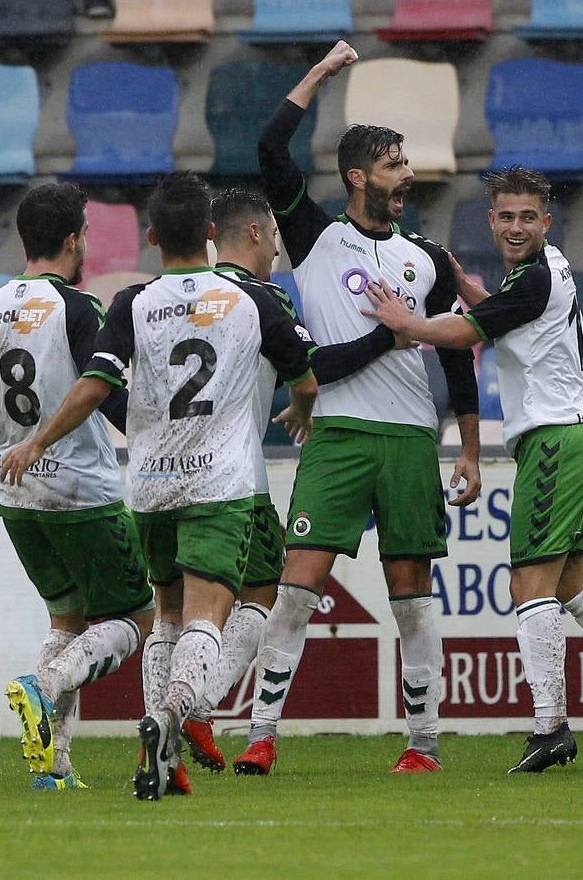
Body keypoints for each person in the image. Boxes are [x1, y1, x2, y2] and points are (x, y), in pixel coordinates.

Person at [0, 172, 318, 802]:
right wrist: (303, 405)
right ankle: (168, 722)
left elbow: (95, 385)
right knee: (207, 617)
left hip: (149, 486)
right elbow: (303, 375)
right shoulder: (252, 299)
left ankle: (163, 758)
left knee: (165, 618)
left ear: (149, 236)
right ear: (209, 232)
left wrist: (37, 440)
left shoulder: (131, 304)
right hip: (218, 485)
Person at [361, 166, 583, 773]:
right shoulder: (545, 271)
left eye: (526, 217)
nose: (515, 226)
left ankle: (550, 727)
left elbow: (464, 333)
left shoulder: (533, 277)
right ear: (491, 220)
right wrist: (469, 287)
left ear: (546, 221)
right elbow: (511, 321)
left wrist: (407, 324)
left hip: (558, 442)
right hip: (582, 437)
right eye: (505, 216)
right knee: (568, 583)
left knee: (527, 586)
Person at [234, 40, 482, 777]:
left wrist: (467, 448)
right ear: (356, 177)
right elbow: (269, 144)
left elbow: (454, 353)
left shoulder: (426, 260)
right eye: (393, 166)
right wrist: (320, 72)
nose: (407, 176)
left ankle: (423, 743)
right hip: (338, 434)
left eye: (405, 165)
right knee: (297, 587)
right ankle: (261, 733)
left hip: (410, 437)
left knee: (410, 595)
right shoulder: (315, 238)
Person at [0, 181, 155, 790]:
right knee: (137, 617)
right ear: (72, 240)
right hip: (81, 494)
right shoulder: (76, 308)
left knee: (65, 620)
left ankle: (53, 766)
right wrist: (149, 443)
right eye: (86, 232)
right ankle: (45, 685)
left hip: (14, 496)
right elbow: (105, 389)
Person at [178, 188, 417, 773]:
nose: (280, 252)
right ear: (255, 233)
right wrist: (387, 336)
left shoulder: (168, 297)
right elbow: (313, 373)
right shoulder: (264, 299)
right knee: (251, 597)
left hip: (158, 474)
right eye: (275, 239)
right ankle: (184, 705)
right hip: (233, 477)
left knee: (169, 611)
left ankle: (181, 716)